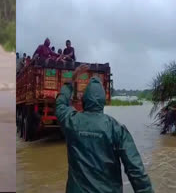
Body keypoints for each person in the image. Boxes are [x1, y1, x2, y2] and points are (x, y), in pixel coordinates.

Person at [55, 64, 153, 193]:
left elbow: (60, 104)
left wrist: (71, 81)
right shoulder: (116, 129)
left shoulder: (72, 121)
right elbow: (136, 171)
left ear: (83, 100)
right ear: (103, 102)